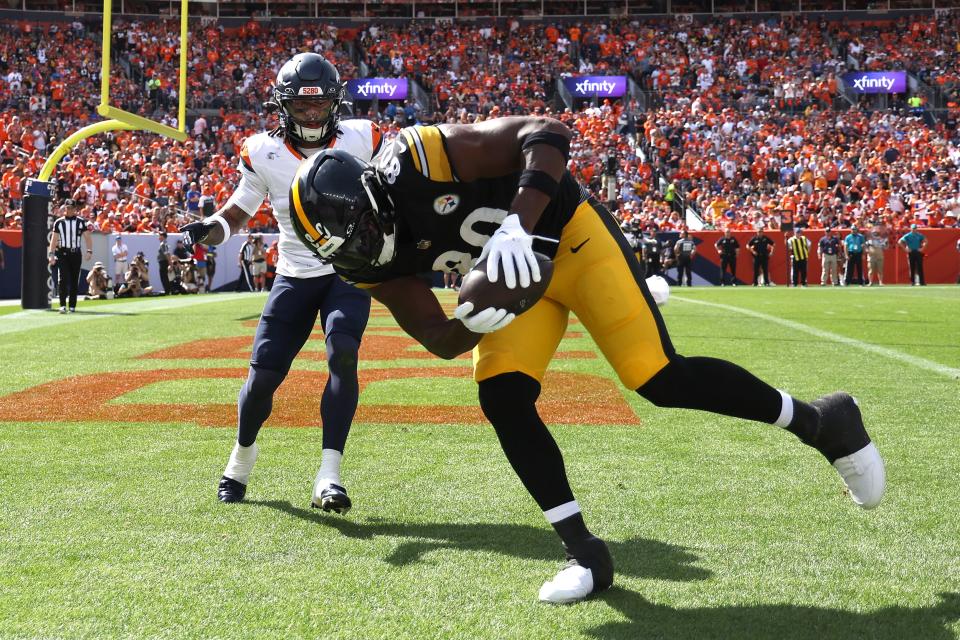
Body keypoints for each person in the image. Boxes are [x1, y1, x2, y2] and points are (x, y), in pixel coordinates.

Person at [288, 118, 886, 604]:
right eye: (347, 247)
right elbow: (438, 337)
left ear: (372, 194)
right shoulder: (359, 264)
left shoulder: (419, 157)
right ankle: (585, 553)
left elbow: (546, 134)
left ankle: (820, 421)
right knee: (501, 395)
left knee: (656, 377)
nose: (365, 248)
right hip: (515, 284)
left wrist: (517, 226)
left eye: (363, 229)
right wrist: (473, 321)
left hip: (568, 238)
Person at [180, 52, 383, 510]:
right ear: (282, 107)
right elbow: (238, 210)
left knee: (344, 354)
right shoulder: (263, 151)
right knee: (262, 379)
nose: (311, 115)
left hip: (347, 271)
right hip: (294, 274)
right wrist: (209, 228)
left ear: (335, 104)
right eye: (301, 107)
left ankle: (329, 476)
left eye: (319, 105)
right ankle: (241, 459)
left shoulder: (365, 137)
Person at [48, 198, 93, 313]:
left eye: (72, 208)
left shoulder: (81, 222)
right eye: (68, 208)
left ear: (75, 209)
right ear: (65, 209)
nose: (70, 210)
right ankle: (62, 305)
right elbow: (54, 239)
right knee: (62, 279)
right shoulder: (59, 222)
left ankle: (72, 305)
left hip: (76, 253)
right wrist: (51, 254)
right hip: (62, 253)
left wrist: (89, 251)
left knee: (74, 280)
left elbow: (87, 237)